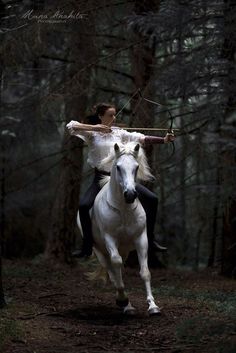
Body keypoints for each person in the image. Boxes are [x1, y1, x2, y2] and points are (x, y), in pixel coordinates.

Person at [66, 103, 175, 260]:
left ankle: (150, 240)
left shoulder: (119, 133)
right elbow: (71, 126)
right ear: (101, 116)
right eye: (110, 115)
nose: (114, 118)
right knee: (84, 206)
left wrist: (164, 140)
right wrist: (96, 128)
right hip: (101, 178)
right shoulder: (91, 134)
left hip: (121, 178)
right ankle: (87, 246)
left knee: (152, 199)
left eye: (115, 114)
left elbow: (140, 137)